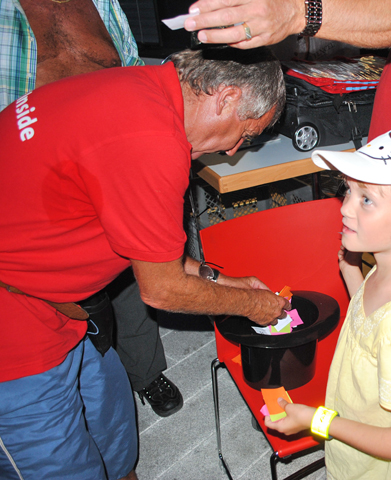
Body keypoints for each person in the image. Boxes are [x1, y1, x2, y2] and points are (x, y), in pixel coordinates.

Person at [184, 0, 391, 453]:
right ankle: (388, 405)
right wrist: (354, 259)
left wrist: (297, 14)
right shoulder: (377, 224)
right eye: (345, 194)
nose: (342, 209)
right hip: (389, 180)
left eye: (354, 198)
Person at [0, 47, 289, 480]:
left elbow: (154, 251)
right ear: (227, 97)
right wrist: (252, 306)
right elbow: (161, 289)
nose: (233, 151)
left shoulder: (138, 87)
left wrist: (226, 281)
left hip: (65, 306)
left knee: (114, 430)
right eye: (245, 134)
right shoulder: (154, 141)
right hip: (15, 325)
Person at [0, 0, 183, 418]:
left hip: (117, 162)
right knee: (50, 299)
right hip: (39, 184)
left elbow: (134, 72)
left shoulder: (103, 3)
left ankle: (146, 372)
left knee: (139, 276)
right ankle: (72, 384)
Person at [266, 128, 391, 478]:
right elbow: (371, 325)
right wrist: (351, 272)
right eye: (348, 190)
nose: (344, 207)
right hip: (363, 441)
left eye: (366, 200)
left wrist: (316, 420)